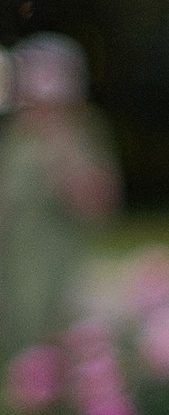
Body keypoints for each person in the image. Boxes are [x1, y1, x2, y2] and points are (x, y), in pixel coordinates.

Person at [0, 35, 121, 368]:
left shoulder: (81, 130)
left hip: (62, 274)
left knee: (61, 361)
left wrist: (58, 143)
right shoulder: (16, 137)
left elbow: (95, 208)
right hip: (13, 278)